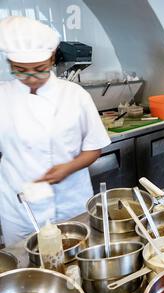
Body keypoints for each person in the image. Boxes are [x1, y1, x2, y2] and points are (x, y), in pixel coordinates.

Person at [0, 16, 111, 246]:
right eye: (20, 71)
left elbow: (94, 148)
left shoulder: (75, 95)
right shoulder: (3, 97)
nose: (31, 78)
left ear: (51, 59)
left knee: (76, 259)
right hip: (19, 208)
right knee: (25, 265)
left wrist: (67, 168)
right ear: (10, 65)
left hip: (69, 202)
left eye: (39, 69)